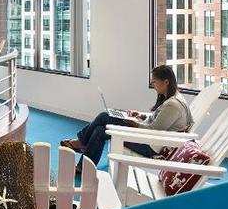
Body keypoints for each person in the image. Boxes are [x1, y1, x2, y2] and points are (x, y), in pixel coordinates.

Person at [60, 65, 191, 169]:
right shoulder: (173, 99)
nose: (153, 86)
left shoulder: (173, 105)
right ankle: (84, 165)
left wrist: (134, 124)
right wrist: (140, 115)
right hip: (150, 139)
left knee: (104, 116)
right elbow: (159, 119)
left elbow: (155, 130)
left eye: (154, 82)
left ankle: (82, 142)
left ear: (166, 82)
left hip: (150, 146)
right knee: (100, 130)